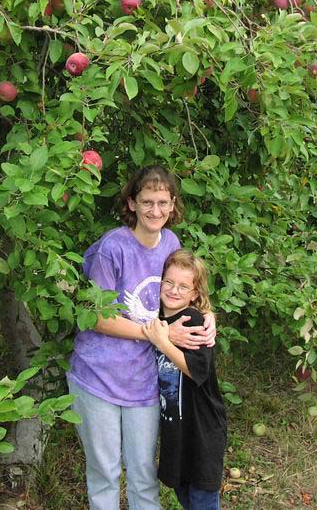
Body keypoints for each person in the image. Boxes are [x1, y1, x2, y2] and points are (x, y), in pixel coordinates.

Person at [67, 165, 216, 510]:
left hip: (144, 381)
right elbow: (96, 318)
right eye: (147, 202)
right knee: (104, 472)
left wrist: (207, 314)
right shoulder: (112, 249)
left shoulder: (172, 244)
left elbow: (183, 291)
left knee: (143, 474)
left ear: (173, 204)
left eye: (163, 202)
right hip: (98, 376)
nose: (155, 211)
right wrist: (156, 335)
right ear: (132, 204)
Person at [142, 249, 227, 510]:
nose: (174, 290)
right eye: (168, 282)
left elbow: (196, 370)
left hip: (202, 429)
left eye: (183, 286)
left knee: (202, 498)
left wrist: (163, 342)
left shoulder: (195, 320)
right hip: (175, 429)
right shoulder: (155, 318)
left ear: (195, 294)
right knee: (183, 493)